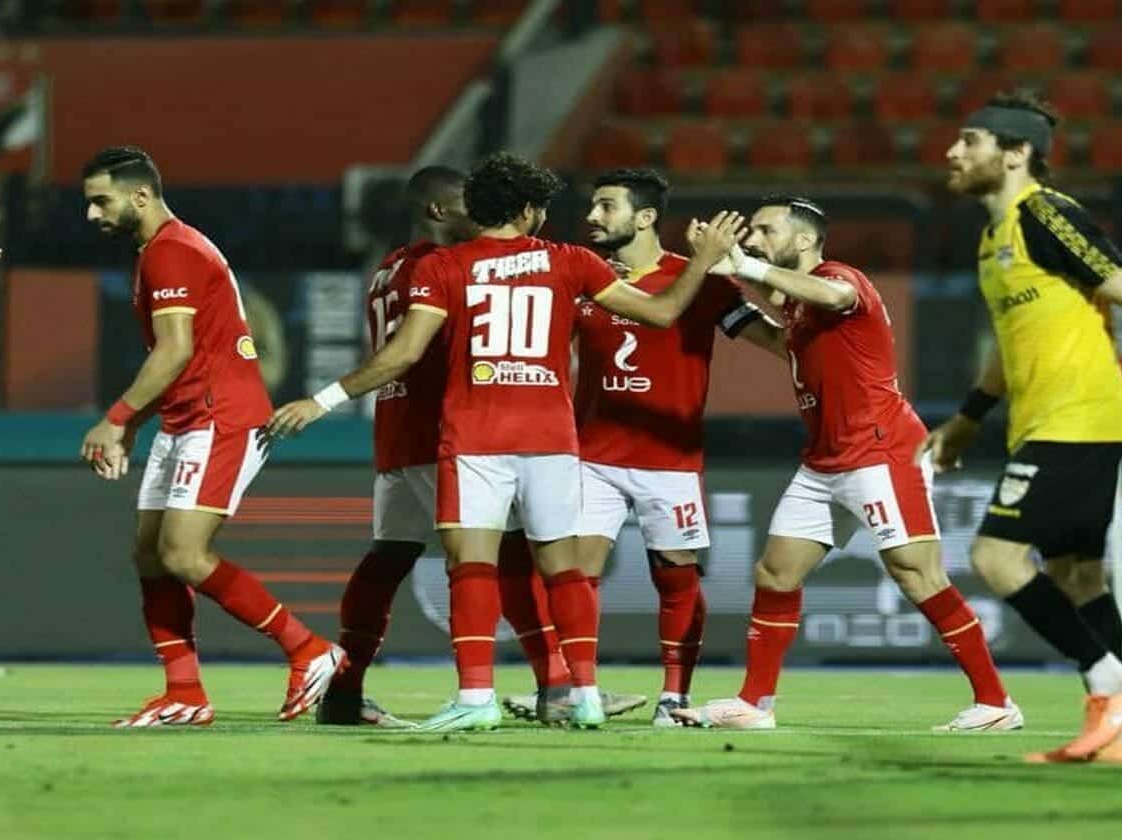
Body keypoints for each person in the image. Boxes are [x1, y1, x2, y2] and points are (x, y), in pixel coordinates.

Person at [268, 152, 748, 730]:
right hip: (534, 438)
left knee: (443, 563)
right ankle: (575, 691)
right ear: (526, 210)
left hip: (449, 435)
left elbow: (403, 352)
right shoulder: (568, 260)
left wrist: (321, 400)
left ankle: (459, 696)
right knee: (551, 567)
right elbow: (663, 313)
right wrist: (703, 262)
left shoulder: (418, 267)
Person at [922, 90, 1122, 764]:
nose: (952, 153)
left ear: (1015, 153)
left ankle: (1114, 684)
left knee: (995, 557)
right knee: (1078, 577)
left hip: (1078, 417)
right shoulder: (992, 239)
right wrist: (967, 419)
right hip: (1047, 422)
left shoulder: (1046, 213)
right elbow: (1007, 344)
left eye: (970, 141)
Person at [675, 196, 1016, 733]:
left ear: (804, 240)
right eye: (751, 233)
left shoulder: (839, 279)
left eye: (765, 230)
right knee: (776, 574)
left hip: (882, 451)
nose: (753, 239)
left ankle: (996, 703)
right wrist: (720, 285)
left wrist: (744, 268)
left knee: (917, 574)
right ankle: (754, 703)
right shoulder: (797, 308)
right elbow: (779, 339)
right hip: (824, 460)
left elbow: (835, 295)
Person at [499, 168, 785, 727]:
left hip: (669, 459)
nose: (592, 217)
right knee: (573, 572)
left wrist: (750, 274)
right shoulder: (584, 277)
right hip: (591, 455)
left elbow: (777, 342)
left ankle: (673, 696)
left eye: (607, 206)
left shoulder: (700, 280)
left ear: (646, 217)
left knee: (676, 576)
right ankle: (575, 689)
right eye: (594, 206)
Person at [78, 146, 345, 728]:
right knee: (151, 556)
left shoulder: (172, 251)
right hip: (184, 417)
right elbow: (179, 357)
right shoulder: (161, 249)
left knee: (182, 553)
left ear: (140, 195)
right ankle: (185, 693)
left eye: (101, 201)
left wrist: (117, 418)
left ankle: (309, 649)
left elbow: (175, 351)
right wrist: (136, 424)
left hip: (220, 417)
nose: (93, 214)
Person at [316, 165, 477, 727]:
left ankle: (343, 692)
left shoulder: (388, 269)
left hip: (396, 433)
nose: (479, 212)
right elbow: (414, 351)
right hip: (439, 432)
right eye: (467, 202)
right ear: (438, 210)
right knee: (499, 554)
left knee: (387, 559)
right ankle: (554, 682)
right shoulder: (442, 266)